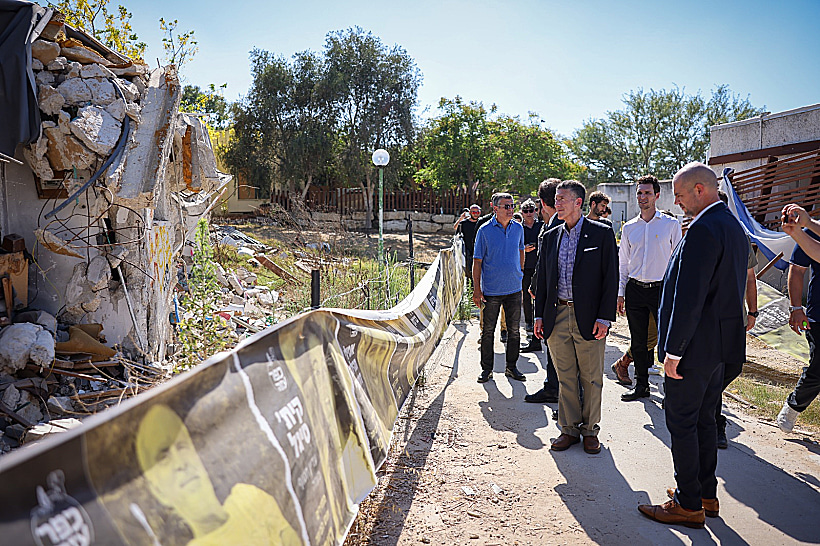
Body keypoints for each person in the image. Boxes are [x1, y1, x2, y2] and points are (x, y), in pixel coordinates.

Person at [638, 162, 747, 528]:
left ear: (700, 190)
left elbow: (691, 296)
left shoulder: (704, 229)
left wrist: (674, 350)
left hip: (694, 348)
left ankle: (687, 504)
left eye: (681, 195)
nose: (678, 202)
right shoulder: (731, 224)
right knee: (703, 419)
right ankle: (705, 493)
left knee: (682, 421)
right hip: (718, 346)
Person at [136, 404, 301, 545]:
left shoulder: (249, 499)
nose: (181, 463)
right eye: (163, 458)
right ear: (157, 490)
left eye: (182, 447)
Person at [533, 180, 618, 453]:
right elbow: (544, 281)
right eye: (556, 199)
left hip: (589, 317)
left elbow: (610, 279)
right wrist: (538, 316)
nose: (556, 203)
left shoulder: (601, 234)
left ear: (578, 202)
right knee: (565, 376)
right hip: (556, 315)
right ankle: (568, 429)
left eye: (562, 199)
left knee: (591, 378)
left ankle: (590, 430)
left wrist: (604, 318)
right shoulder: (550, 236)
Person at [616, 175, 682, 402]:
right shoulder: (629, 228)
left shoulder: (671, 225)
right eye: (639, 193)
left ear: (656, 195)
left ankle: (670, 391)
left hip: (661, 290)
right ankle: (641, 385)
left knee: (665, 341)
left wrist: (675, 294)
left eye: (646, 193)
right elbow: (623, 263)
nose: (642, 197)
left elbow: (677, 261)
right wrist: (620, 293)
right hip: (635, 289)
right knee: (639, 341)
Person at [713, 190, 759, 448]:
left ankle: (705, 402)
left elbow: (751, 278)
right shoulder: (702, 236)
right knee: (717, 369)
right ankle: (716, 424)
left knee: (734, 367)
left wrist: (752, 311)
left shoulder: (740, 236)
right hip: (711, 319)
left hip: (736, 318)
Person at [473, 192, 526, 383]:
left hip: (514, 288)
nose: (511, 209)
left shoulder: (518, 228)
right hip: (491, 291)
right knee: (488, 332)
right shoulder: (484, 231)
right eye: (506, 206)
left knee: (514, 331)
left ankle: (512, 367)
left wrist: (520, 271)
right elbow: (477, 261)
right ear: (495, 208)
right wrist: (477, 290)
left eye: (512, 206)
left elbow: (521, 250)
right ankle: (486, 370)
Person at [776, 203, 820, 432]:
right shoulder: (812, 231)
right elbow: (799, 268)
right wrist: (796, 308)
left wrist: (805, 227)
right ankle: (794, 406)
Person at [523, 179, 563, 404]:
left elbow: (548, 264)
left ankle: (564, 398)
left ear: (541, 202)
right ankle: (552, 386)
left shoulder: (558, 225)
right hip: (548, 294)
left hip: (556, 297)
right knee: (551, 345)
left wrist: (537, 285)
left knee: (559, 349)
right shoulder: (551, 224)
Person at [520, 198, 543, 341]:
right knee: (526, 296)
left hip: (539, 265)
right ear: (522, 213)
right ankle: (529, 322)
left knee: (540, 295)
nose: (529, 213)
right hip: (524, 266)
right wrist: (523, 249)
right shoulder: (517, 228)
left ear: (535, 211)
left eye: (531, 210)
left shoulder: (541, 226)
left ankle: (539, 320)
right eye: (526, 211)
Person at [455, 204, 482, 283]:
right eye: (474, 212)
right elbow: (457, 236)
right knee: (469, 274)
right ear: (470, 212)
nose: (476, 214)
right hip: (467, 252)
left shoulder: (482, 223)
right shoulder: (463, 223)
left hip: (480, 251)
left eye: (477, 212)